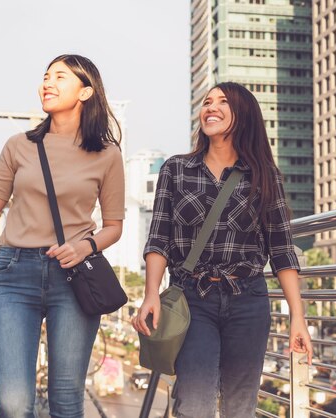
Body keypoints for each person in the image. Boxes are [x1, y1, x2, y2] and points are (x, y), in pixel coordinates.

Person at [0, 54, 125, 418]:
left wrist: (84, 246)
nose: (47, 83)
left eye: (60, 76)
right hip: (14, 275)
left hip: (73, 276)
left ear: (86, 91)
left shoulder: (107, 154)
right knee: (13, 403)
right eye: (45, 76)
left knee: (67, 399)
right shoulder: (19, 145)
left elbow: (114, 226)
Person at [132, 82, 312, 418]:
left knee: (239, 408)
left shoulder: (264, 175)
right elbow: (158, 238)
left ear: (243, 115)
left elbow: (282, 249)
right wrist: (151, 294)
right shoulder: (176, 169)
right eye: (207, 102)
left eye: (223, 102)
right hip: (192, 300)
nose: (211, 107)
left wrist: (297, 317)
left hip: (249, 300)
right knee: (193, 405)